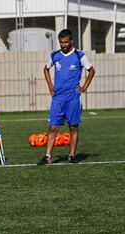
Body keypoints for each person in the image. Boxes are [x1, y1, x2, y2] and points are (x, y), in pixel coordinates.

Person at [37, 29, 95, 165]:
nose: (63, 45)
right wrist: (50, 86)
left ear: (71, 41)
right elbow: (46, 69)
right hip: (57, 98)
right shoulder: (55, 55)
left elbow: (91, 70)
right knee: (52, 127)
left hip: (73, 98)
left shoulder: (79, 55)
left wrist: (85, 87)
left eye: (65, 42)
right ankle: (47, 156)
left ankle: (72, 155)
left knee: (73, 127)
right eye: (61, 42)